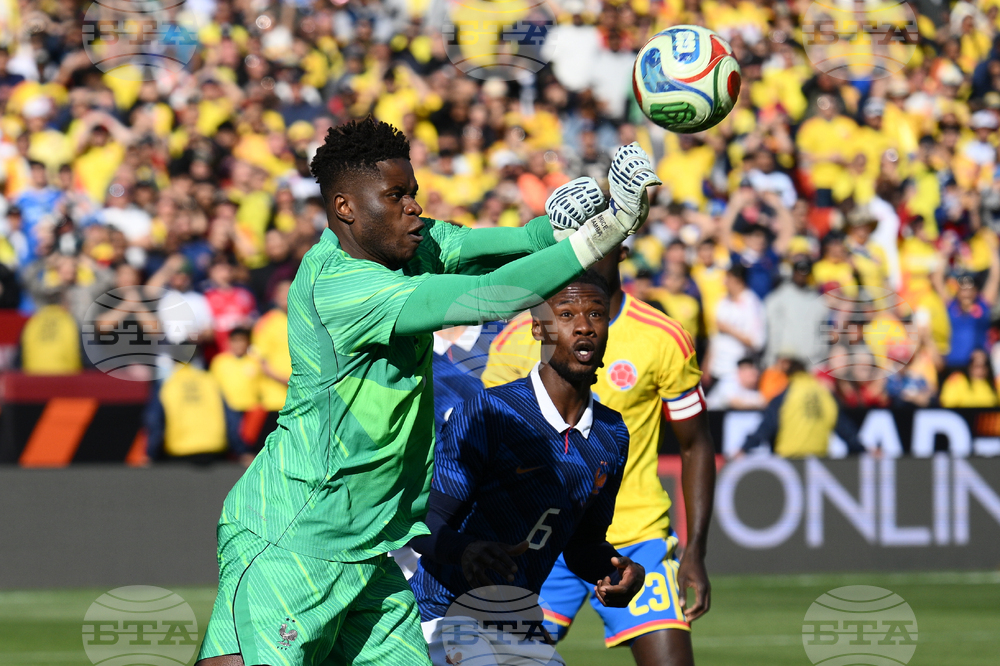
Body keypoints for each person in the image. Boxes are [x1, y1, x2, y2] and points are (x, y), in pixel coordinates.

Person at [195, 118, 660, 666]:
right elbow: (489, 294)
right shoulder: (343, 285)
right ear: (345, 208)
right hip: (295, 536)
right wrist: (608, 229)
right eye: (395, 196)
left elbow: (497, 246)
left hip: (369, 551)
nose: (413, 206)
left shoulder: (406, 248)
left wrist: (558, 229)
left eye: (411, 191)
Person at [482, 248, 716, 662]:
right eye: (573, 242)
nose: (582, 253)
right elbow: (488, 448)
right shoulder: (518, 337)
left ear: (623, 248)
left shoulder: (662, 336)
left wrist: (695, 548)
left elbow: (695, 443)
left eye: (597, 240)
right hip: (538, 541)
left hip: (635, 536)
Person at [409, 273, 644, 665]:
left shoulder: (612, 432)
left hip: (516, 622)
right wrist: (465, 550)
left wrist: (617, 570)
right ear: (538, 328)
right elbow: (423, 525)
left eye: (596, 314)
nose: (584, 326)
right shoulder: (490, 412)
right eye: (566, 314)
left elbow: (583, 544)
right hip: (443, 617)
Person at [740, 358, 870, 458]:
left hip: (790, 458)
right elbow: (846, 429)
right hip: (819, 459)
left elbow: (767, 426)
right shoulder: (825, 394)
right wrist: (864, 450)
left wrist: (744, 449)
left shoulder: (786, 394)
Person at [763, 255, 829, 368]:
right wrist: (771, 358)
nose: (801, 275)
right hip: (785, 361)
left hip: (810, 362)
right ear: (793, 272)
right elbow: (772, 330)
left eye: (805, 272)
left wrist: (821, 358)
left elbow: (822, 333)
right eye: (799, 271)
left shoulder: (818, 301)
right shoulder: (777, 298)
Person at [706, 262, 766, 383]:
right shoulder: (723, 301)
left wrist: (729, 329)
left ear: (738, 280)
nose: (724, 282)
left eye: (728, 278)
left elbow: (757, 342)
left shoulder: (752, 304)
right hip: (717, 369)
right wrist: (707, 365)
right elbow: (715, 338)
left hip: (736, 372)